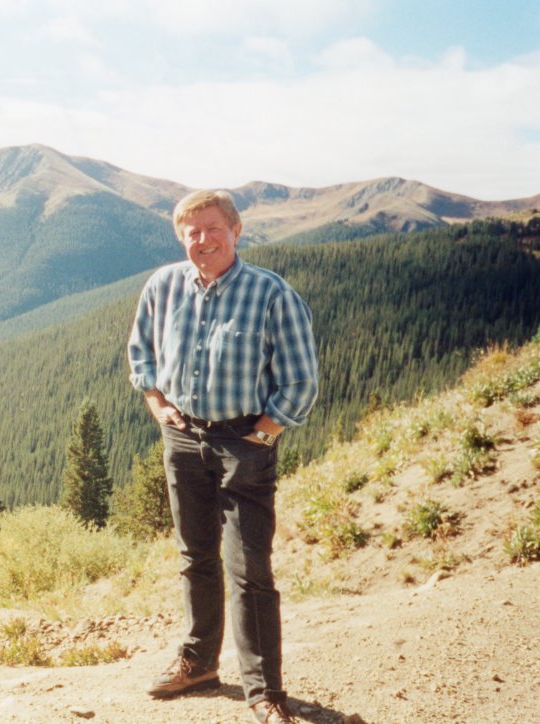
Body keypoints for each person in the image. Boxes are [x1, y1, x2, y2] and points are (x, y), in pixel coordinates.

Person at [126, 189, 318, 724]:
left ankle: (265, 692)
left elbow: (301, 380)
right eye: (193, 232)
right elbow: (141, 350)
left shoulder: (271, 293)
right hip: (183, 437)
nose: (203, 240)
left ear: (236, 231)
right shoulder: (163, 286)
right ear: (180, 238)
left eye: (213, 228)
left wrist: (261, 435)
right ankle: (199, 662)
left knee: (249, 567)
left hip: (244, 443)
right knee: (194, 556)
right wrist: (156, 402)